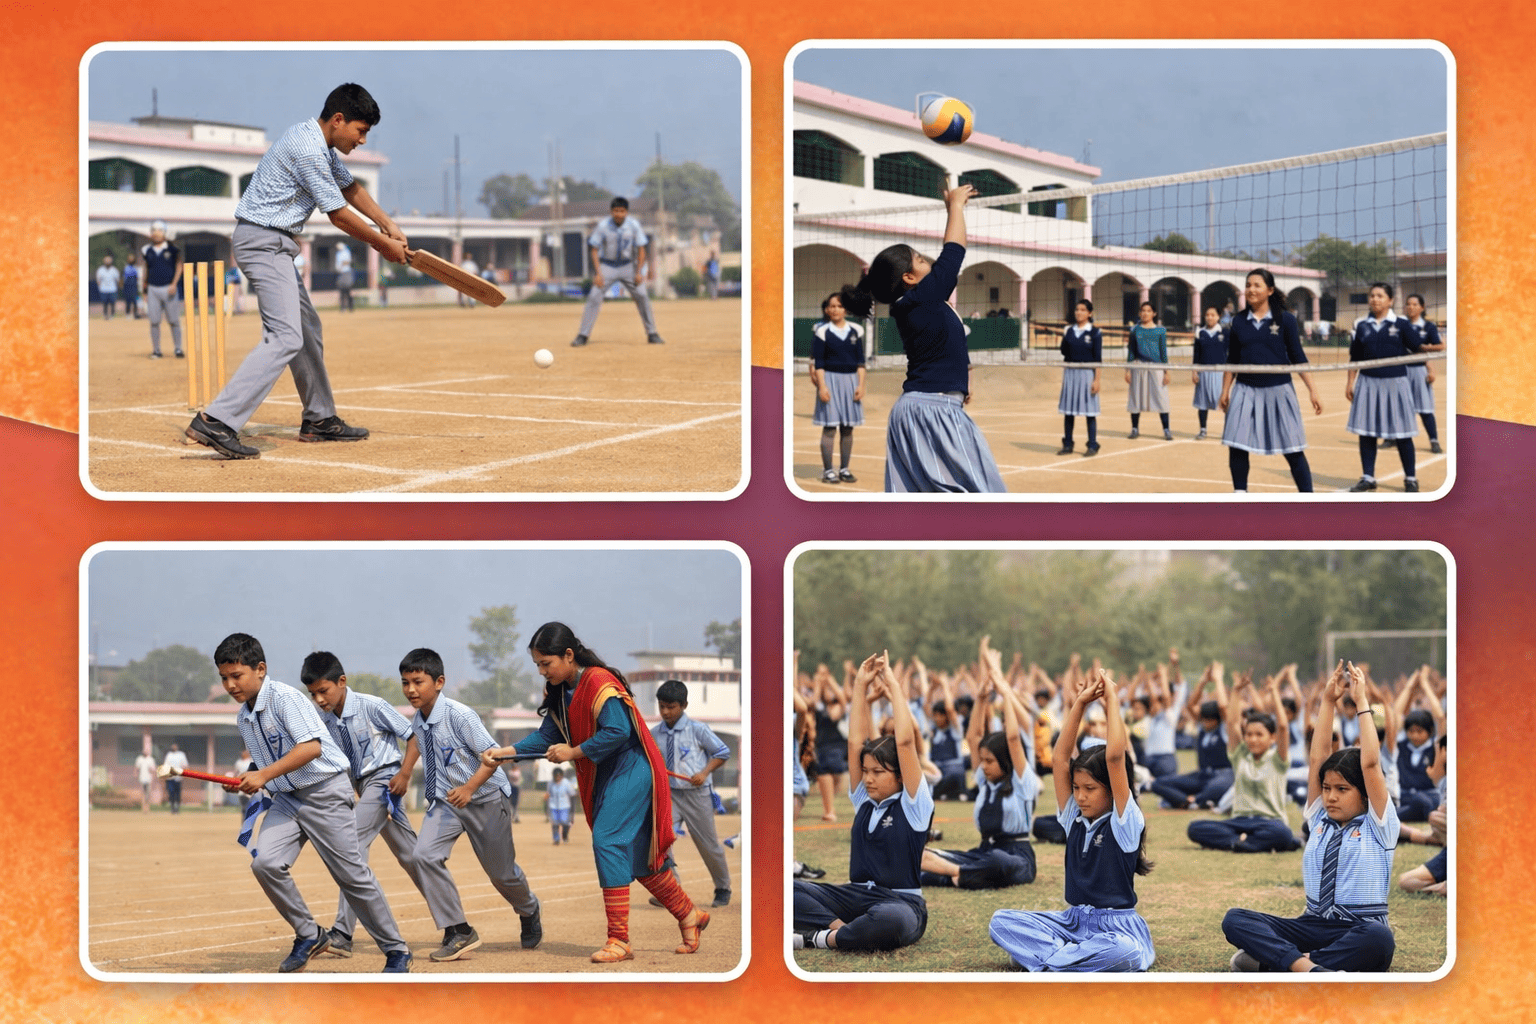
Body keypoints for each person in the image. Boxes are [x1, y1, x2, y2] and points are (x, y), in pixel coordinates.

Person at [184, 83, 408, 459]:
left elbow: (349, 188)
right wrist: (382, 244)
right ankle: (216, 420)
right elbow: (338, 214)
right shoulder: (308, 149)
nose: (362, 140)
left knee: (306, 331)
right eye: (361, 131)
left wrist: (388, 224)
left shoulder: (319, 144)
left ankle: (319, 418)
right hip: (262, 242)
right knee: (285, 336)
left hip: (274, 244)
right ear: (339, 120)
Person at [484, 623, 705, 963]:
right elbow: (546, 737)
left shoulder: (599, 681)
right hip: (604, 775)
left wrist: (573, 752)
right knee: (640, 858)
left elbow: (618, 731)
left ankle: (619, 939)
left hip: (631, 769)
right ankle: (689, 915)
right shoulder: (559, 690)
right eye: (538, 665)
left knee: (607, 840)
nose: (542, 671)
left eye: (546, 663)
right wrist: (505, 752)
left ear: (568, 655)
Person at [214, 632, 412, 973]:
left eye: (236, 675)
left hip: (325, 793)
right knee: (265, 864)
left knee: (351, 875)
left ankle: (396, 950)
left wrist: (263, 775)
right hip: (286, 799)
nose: (230, 685)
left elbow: (311, 748)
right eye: (223, 678)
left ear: (260, 669)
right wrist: (248, 777)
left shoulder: (285, 699)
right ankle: (309, 934)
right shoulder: (244, 717)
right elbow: (266, 760)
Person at [1222, 662, 1397, 972]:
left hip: (1357, 929)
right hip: (1313, 924)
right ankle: (1307, 968)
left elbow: (1370, 764)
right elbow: (1317, 758)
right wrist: (1327, 701)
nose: (1330, 797)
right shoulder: (1319, 820)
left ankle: (1284, 964)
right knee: (1235, 919)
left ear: (1364, 793)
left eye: (1342, 789)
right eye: (1326, 788)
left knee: (1379, 938)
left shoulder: (1378, 824)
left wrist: (1361, 701)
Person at [841, 182, 1005, 492]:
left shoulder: (913, 305)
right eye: (919, 259)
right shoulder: (922, 298)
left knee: (922, 505)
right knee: (984, 498)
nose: (926, 260)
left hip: (921, 409)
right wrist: (956, 207)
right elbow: (954, 252)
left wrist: (962, 384)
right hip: (934, 410)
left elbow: (948, 348)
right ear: (908, 277)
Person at [989, 669, 1155, 972]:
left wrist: (1112, 700)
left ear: (1112, 789)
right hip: (1072, 922)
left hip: (1116, 928)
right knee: (1000, 921)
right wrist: (1079, 704)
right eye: (1076, 788)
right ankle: (1069, 957)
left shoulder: (1125, 822)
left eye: (1090, 789)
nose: (1080, 796)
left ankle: (1048, 957)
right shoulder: (1073, 819)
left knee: (1126, 952)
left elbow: (1115, 758)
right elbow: (1060, 759)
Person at [400, 647, 542, 961]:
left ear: (439, 682)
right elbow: (420, 747)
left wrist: (469, 788)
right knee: (423, 855)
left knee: (501, 874)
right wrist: (406, 773)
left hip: (485, 798)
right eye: (405, 683)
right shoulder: (418, 720)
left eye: (418, 682)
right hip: (447, 802)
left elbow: (494, 756)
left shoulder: (460, 716)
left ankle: (528, 908)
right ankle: (458, 930)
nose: (411, 690)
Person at [300, 652, 437, 959]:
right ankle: (456, 923)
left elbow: (415, 736)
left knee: (349, 845)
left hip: (386, 780)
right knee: (411, 855)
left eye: (323, 691)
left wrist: (405, 774)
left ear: (342, 681)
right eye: (312, 694)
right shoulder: (323, 721)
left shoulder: (371, 706)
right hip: (361, 787)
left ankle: (342, 933)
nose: (319, 699)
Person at [793, 652, 933, 952]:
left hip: (900, 902)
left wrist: (893, 685)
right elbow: (855, 742)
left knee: (892, 921)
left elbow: (905, 742)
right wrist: (859, 685)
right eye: (865, 771)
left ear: (900, 776)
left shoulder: (914, 805)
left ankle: (818, 938)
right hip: (854, 897)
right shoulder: (864, 801)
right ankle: (842, 931)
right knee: (782, 889)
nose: (868, 779)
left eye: (878, 773)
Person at [919, 637, 1039, 890]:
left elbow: (1013, 737)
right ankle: (960, 874)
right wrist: (982, 699)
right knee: (919, 856)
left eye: (990, 761)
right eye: (982, 760)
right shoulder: (985, 781)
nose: (982, 766)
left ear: (1005, 761)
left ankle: (954, 873)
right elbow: (973, 737)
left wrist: (1004, 692)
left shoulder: (1022, 782)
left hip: (1015, 856)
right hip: (982, 853)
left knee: (999, 863)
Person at [1218, 269, 1323, 492]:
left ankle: (1308, 497)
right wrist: (1225, 390)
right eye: (1248, 285)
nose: (1251, 289)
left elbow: (1298, 357)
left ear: (1270, 290)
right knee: (1236, 444)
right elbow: (1232, 359)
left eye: (1257, 285)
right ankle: (1240, 493)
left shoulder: (1286, 319)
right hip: (1244, 389)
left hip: (1279, 390)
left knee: (1293, 448)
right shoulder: (1238, 321)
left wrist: (1313, 391)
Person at [1186, 670, 1300, 853]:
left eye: (1259, 735)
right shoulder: (1240, 756)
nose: (1253, 739)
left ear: (1272, 738)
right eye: (1249, 734)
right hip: (1239, 821)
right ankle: (1242, 842)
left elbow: (1283, 727)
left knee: (1282, 833)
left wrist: (1274, 693)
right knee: (1195, 828)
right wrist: (1236, 692)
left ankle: (1242, 842)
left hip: (1269, 822)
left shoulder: (1278, 759)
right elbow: (1232, 723)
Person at [651, 679, 733, 907]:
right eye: (662, 706)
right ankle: (671, 889)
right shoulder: (654, 733)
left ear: (684, 705)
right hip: (670, 795)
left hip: (697, 794)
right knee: (660, 840)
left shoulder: (697, 729)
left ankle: (723, 888)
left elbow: (722, 752)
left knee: (708, 844)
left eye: (671, 707)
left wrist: (704, 772)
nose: (665, 712)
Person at [1346, 283, 1425, 492]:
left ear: (1390, 300)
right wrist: (1350, 382)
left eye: (1380, 296)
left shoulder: (1401, 324)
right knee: (1366, 432)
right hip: (1367, 383)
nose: (1375, 299)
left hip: (1396, 384)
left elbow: (1419, 347)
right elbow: (1355, 357)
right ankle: (1368, 477)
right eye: (1372, 295)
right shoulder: (1361, 325)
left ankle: (1410, 478)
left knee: (1402, 433)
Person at [570, 197, 664, 347]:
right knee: (594, 296)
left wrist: (639, 272)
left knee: (642, 295)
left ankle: (652, 333)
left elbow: (641, 249)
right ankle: (583, 335)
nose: (619, 214)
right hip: (608, 266)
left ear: (626, 212)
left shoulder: (633, 225)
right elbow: (594, 249)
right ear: (611, 211)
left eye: (622, 211)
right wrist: (598, 273)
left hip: (628, 266)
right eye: (616, 211)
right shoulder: (603, 226)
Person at [809, 289, 866, 484]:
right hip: (830, 381)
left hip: (851, 382)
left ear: (846, 309)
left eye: (839, 306)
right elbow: (819, 364)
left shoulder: (856, 331)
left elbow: (861, 362)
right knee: (830, 428)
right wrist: (822, 387)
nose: (835, 309)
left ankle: (844, 469)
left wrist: (861, 385)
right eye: (831, 306)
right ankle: (828, 471)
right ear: (827, 309)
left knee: (848, 428)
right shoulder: (822, 331)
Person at [1057, 299, 1102, 456]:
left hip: (1087, 374)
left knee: (1090, 412)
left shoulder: (1095, 332)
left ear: (1089, 313)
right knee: (1069, 411)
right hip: (1070, 372)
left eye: (1083, 310)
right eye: (1077, 309)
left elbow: (1098, 358)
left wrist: (1097, 380)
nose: (1079, 312)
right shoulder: (1069, 331)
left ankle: (1092, 445)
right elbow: (1063, 351)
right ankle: (1068, 444)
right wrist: (1065, 336)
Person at [1402, 293, 1444, 454]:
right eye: (1408, 304)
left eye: (1414, 304)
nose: (1410, 307)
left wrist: (1426, 351)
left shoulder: (1428, 327)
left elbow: (1440, 346)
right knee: (1400, 406)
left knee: (1425, 408)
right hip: (1401, 370)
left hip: (1419, 370)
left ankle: (1434, 440)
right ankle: (1392, 438)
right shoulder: (1400, 326)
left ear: (1422, 307)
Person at [1125, 301, 1171, 440]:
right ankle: (1134, 429)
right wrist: (1128, 370)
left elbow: (1163, 352)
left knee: (1161, 398)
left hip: (1156, 367)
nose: (1145, 313)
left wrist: (1166, 371)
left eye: (1148, 311)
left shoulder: (1160, 330)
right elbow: (1131, 351)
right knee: (1135, 397)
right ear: (1140, 313)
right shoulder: (1134, 330)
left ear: (1154, 313)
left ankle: (1166, 429)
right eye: (1143, 310)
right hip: (1139, 365)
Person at [141, 219, 184, 358]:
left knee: (174, 320)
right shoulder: (147, 250)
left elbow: (179, 266)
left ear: (164, 233)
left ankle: (178, 349)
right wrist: (144, 289)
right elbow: (145, 269)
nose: (156, 233)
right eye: (154, 230)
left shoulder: (172, 249)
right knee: (154, 321)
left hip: (169, 288)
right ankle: (156, 350)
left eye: (159, 230)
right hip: (153, 289)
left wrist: (174, 283)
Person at [1192, 306, 1228, 439]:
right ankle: (1203, 430)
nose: (1209, 317)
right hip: (1203, 372)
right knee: (1202, 403)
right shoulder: (1200, 332)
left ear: (1218, 317)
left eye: (1213, 315)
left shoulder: (1225, 332)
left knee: (1224, 402)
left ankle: (1228, 431)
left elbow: (1230, 352)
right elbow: (1196, 354)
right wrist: (1194, 371)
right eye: (1207, 315)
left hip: (1220, 373)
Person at [547, 767, 576, 844]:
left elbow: (572, 795)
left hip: (565, 806)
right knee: (555, 823)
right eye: (556, 776)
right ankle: (556, 839)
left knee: (565, 822)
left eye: (559, 776)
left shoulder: (566, 783)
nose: (558, 778)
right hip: (553, 806)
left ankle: (564, 835)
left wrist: (572, 809)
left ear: (562, 776)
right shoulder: (550, 783)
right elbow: (548, 794)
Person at [161, 742, 188, 813]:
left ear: (177, 747)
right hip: (170, 778)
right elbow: (166, 765)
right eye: (173, 747)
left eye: (175, 747)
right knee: (171, 792)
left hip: (178, 777)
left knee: (178, 793)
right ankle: (172, 808)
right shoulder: (169, 755)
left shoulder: (181, 755)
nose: (174, 748)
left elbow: (185, 765)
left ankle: (177, 807)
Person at [95, 254, 121, 320]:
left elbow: (118, 279)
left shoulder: (114, 270)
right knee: (105, 303)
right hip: (103, 289)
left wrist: (118, 287)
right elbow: (98, 280)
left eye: (109, 261)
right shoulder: (100, 270)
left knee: (112, 303)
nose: (107, 263)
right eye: (106, 261)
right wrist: (100, 287)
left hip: (112, 289)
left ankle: (112, 315)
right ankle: (105, 314)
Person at [333, 243, 355, 312]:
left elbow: (348, 261)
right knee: (341, 291)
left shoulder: (346, 252)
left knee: (348, 290)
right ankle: (342, 307)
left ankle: (351, 307)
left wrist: (342, 265)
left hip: (347, 272)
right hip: (340, 273)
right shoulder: (338, 254)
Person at [134, 747, 157, 812]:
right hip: (142, 778)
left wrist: (154, 777)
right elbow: (136, 768)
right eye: (144, 751)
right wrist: (135, 774)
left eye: (146, 751)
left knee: (148, 794)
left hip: (149, 779)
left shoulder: (151, 759)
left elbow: (153, 770)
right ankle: (143, 808)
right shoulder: (139, 759)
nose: (145, 752)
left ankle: (148, 808)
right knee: (143, 793)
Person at [121, 254, 142, 319]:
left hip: (134, 286)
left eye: (132, 259)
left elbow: (137, 278)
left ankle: (135, 314)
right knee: (128, 301)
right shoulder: (125, 268)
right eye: (130, 259)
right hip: (127, 286)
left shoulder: (136, 268)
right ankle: (127, 314)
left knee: (135, 301)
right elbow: (123, 278)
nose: (131, 260)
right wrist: (122, 286)